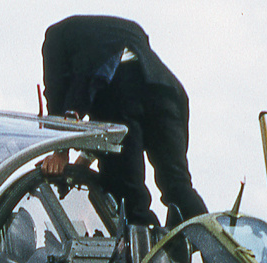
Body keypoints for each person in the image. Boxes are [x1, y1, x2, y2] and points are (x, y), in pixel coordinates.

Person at [40, 15, 208, 228]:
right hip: (165, 89)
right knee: (178, 186)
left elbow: (56, 95)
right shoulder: (114, 37)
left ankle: (151, 256)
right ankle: (221, 252)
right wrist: (86, 156)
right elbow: (111, 73)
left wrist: (60, 152)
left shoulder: (54, 37)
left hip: (119, 94)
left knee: (128, 199)